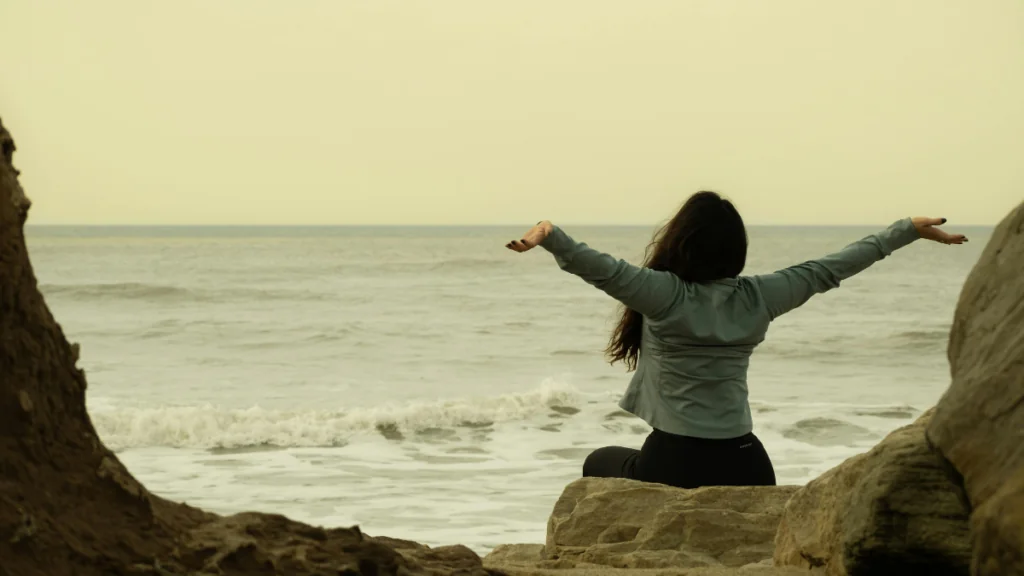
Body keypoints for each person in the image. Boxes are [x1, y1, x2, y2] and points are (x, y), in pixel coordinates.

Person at [504, 191, 967, 489]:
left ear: (681, 242)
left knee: (596, 462)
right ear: (736, 249)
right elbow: (832, 267)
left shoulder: (664, 294)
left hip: (674, 464)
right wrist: (904, 230)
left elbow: (600, 267)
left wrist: (551, 235)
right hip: (747, 463)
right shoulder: (761, 297)